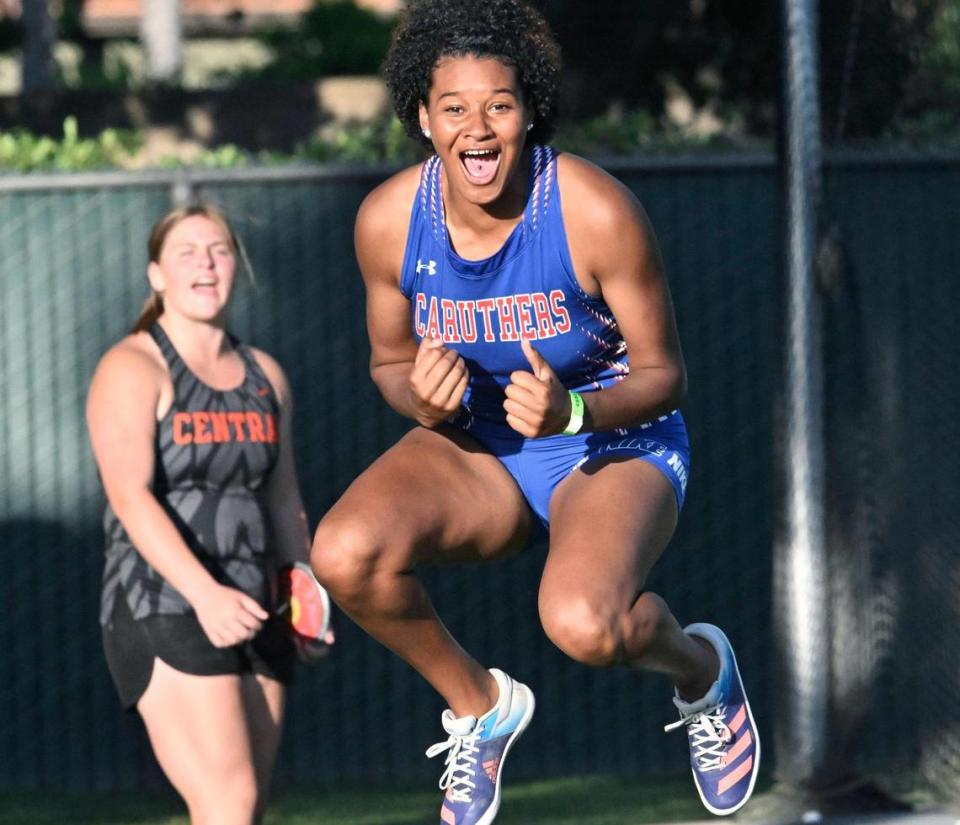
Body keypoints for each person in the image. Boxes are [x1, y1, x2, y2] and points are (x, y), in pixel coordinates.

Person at [310, 1, 759, 822]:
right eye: (454, 107)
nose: (477, 130)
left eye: (500, 106)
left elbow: (665, 372)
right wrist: (416, 392)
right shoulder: (386, 222)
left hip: (613, 439)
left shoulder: (592, 209)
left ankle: (701, 670)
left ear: (528, 113)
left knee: (587, 624)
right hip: (480, 445)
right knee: (342, 553)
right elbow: (386, 361)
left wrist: (574, 409)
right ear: (422, 115)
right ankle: (480, 706)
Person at [87, 204, 331, 825]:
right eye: (187, 252)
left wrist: (304, 593)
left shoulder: (265, 375)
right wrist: (205, 595)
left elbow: (281, 496)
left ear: (235, 268)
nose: (205, 263)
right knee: (227, 801)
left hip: (254, 602)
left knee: (245, 807)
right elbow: (129, 496)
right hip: (166, 604)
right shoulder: (132, 366)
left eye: (219, 250)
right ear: (157, 275)